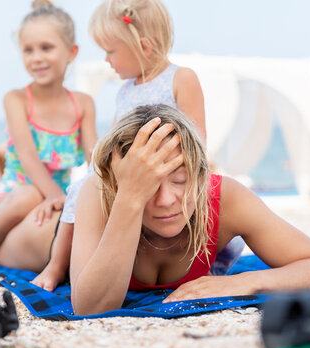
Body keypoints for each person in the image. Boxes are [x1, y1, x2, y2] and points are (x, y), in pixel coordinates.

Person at [69, 104, 310, 315]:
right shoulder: (99, 193)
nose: (165, 200)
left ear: (201, 174)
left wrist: (238, 283)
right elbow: (90, 308)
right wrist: (129, 198)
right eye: (149, 185)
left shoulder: (224, 197)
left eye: (180, 180)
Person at [32, 0, 214, 291]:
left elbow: (197, 138)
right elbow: (116, 138)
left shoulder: (181, 78)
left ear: (143, 46)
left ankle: (206, 264)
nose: (107, 60)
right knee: (79, 190)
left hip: (168, 171)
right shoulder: (125, 91)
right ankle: (56, 265)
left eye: (110, 51)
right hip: (129, 174)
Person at [0, 0, 97, 270]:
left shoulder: (82, 103)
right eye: (28, 50)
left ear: (72, 52)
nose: (36, 57)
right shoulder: (17, 100)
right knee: (28, 194)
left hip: (50, 199)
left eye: (46, 48)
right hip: (11, 199)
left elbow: (94, 154)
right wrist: (56, 195)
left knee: (44, 205)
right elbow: (27, 156)